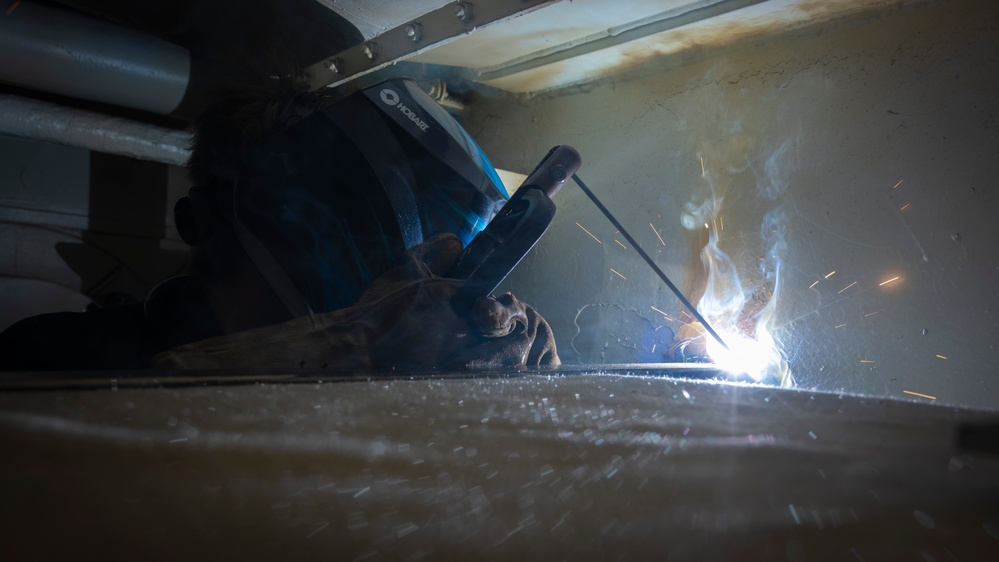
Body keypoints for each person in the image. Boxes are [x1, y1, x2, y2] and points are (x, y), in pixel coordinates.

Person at [0, 59, 559, 372]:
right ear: (205, 225)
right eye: (345, 237)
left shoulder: (398, 352)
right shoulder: (49, 359)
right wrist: (351, 354)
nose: (381, 283)